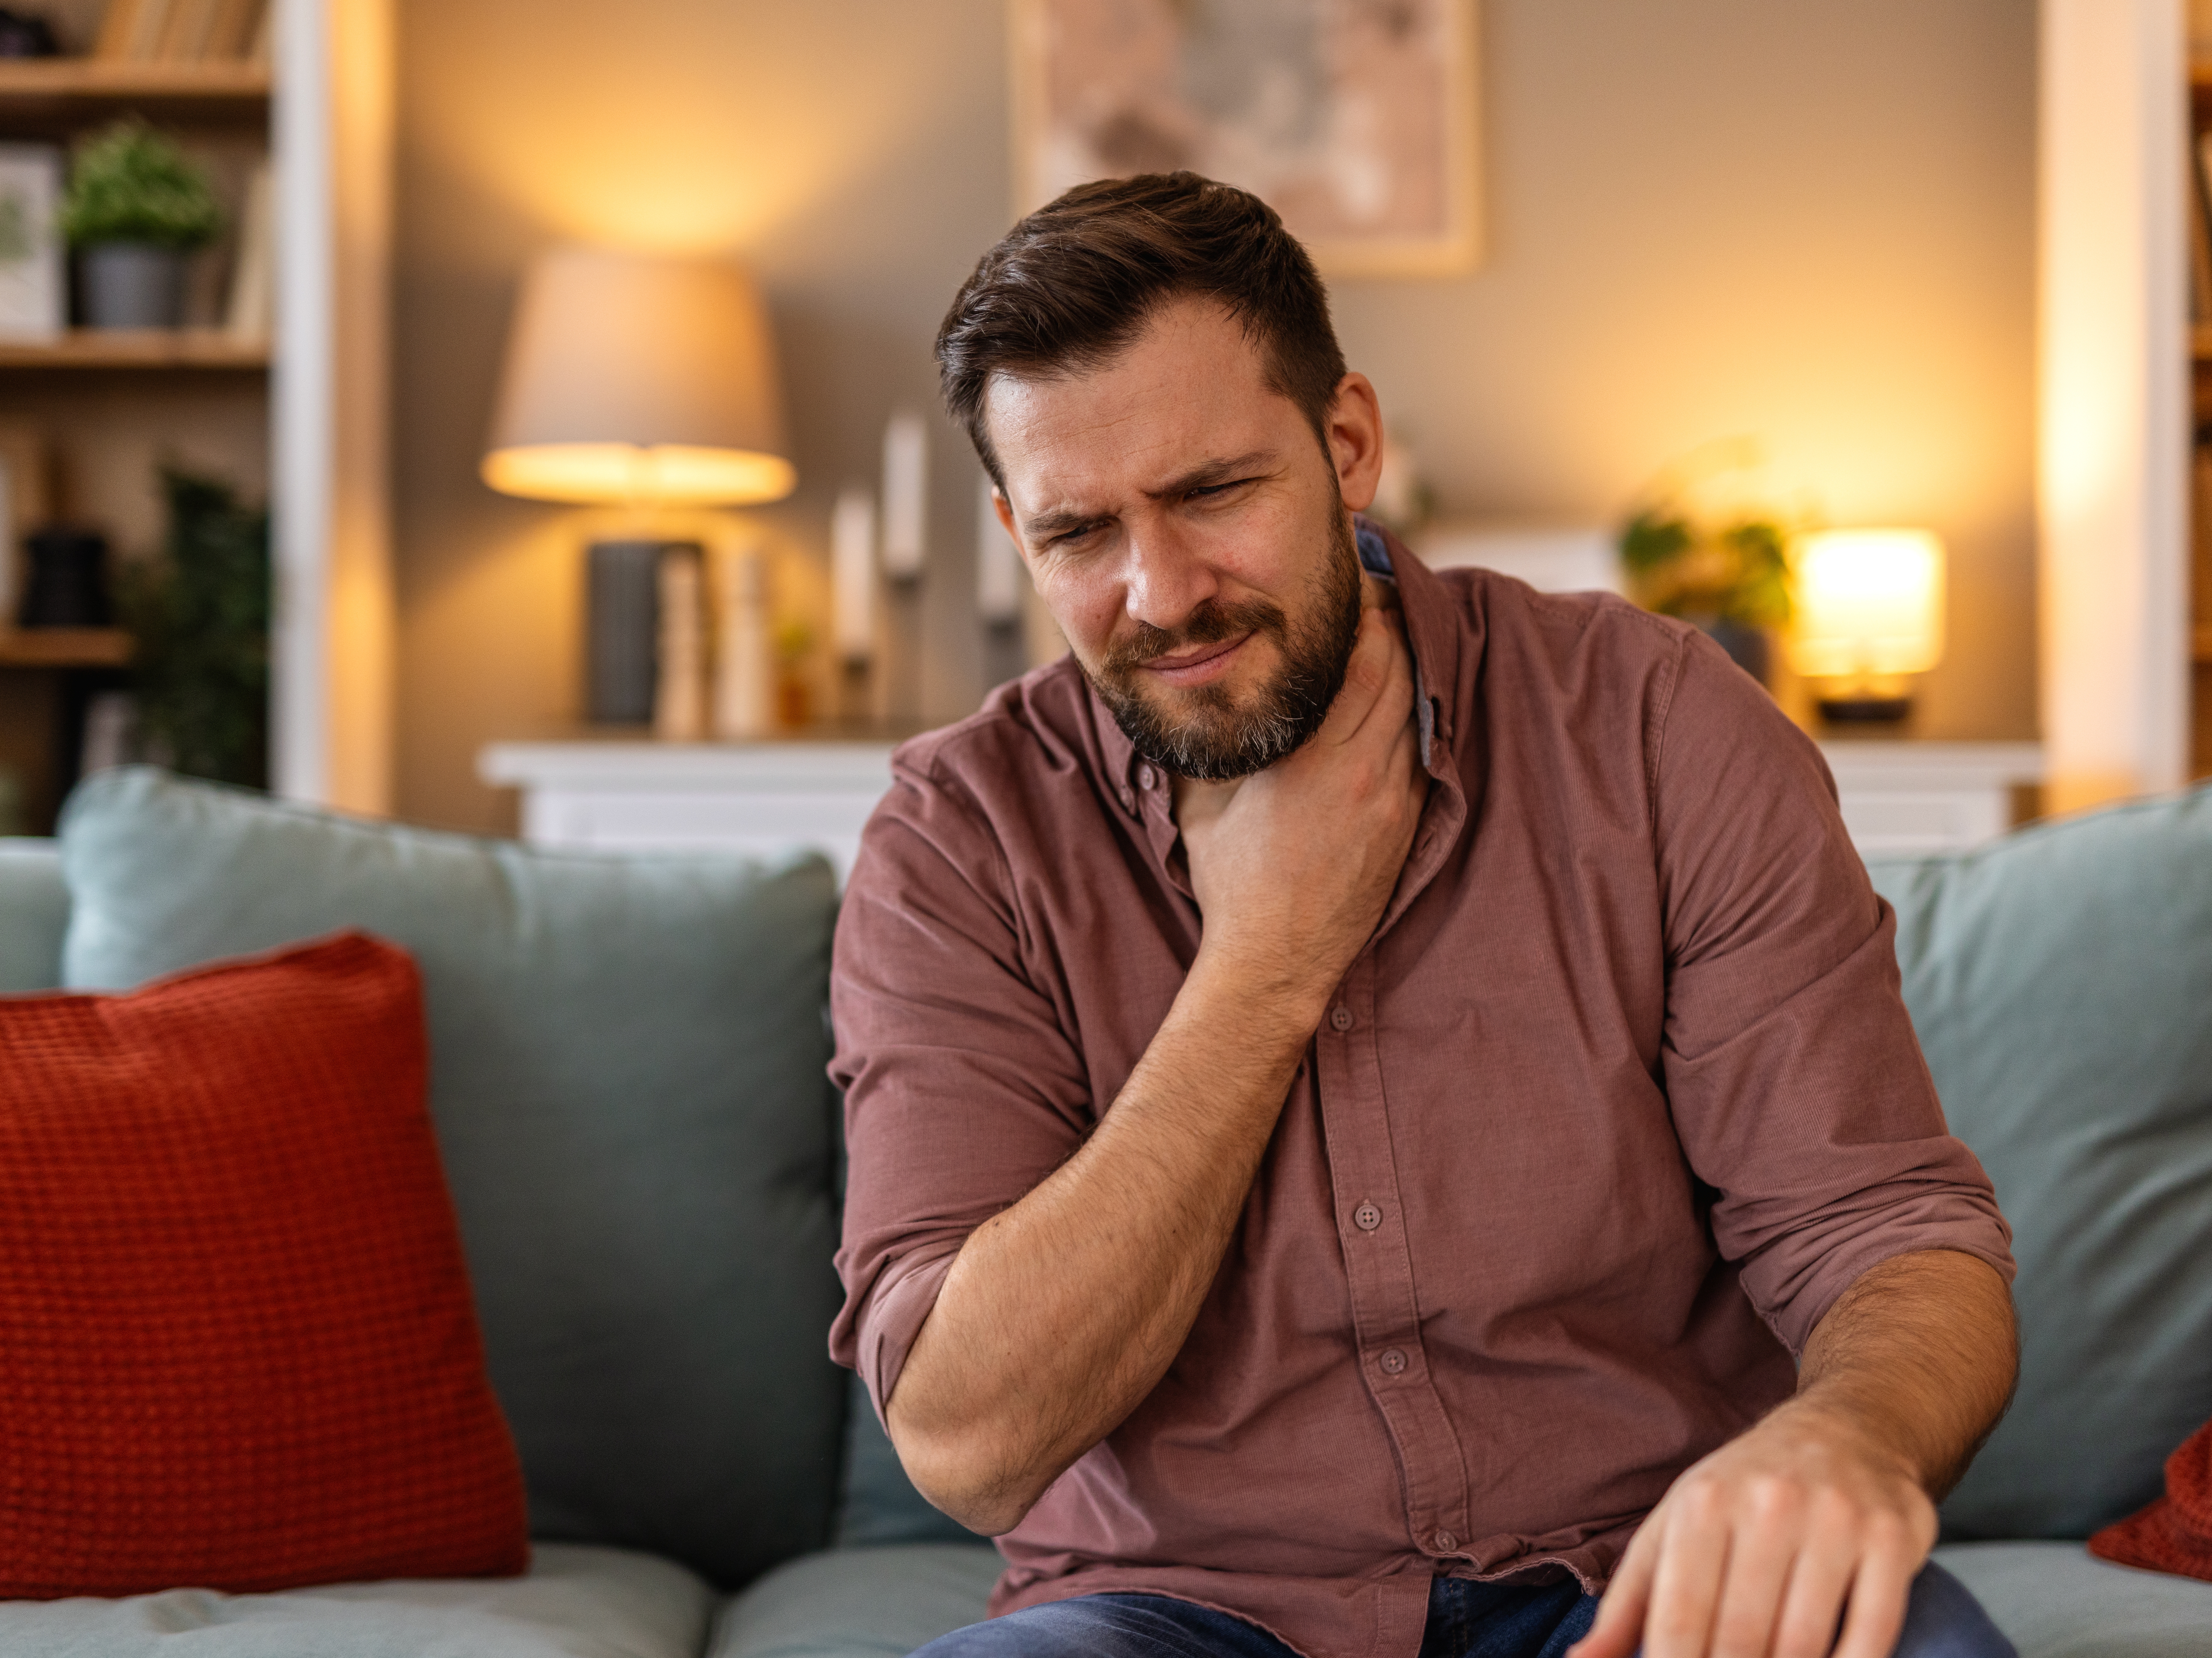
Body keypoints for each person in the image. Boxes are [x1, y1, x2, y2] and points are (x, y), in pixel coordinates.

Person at [828, 172, 2021, 1658]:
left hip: (1639, 1582)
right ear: (1016, 533)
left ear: (1344, 445)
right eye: (1081, 532)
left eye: (1210, 492)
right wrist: (1265, 958)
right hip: (1170, 1616)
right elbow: (966, 1437)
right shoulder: (961, 841)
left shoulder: (1653, 727)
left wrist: (1844, 1438)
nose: (1160, 591)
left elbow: (1886, 1228)